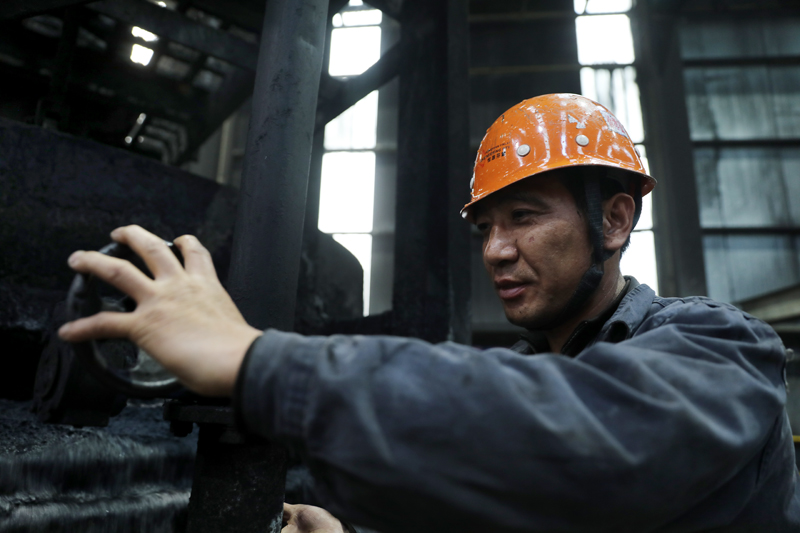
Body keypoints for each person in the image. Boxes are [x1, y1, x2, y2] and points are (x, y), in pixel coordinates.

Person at [59, 94, 800, 532]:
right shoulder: (517, 373)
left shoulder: (722, 349)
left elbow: (573, 444)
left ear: (613, 221)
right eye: (486, 228)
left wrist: (253, 359)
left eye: (525, 217)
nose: (497, 251)